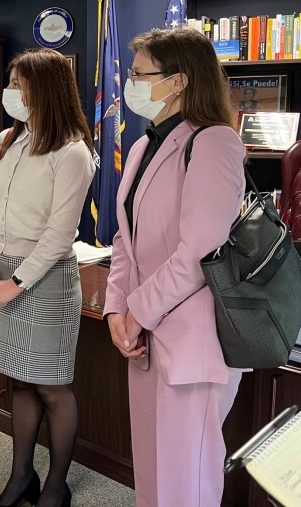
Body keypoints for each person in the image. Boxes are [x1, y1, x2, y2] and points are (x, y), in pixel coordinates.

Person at [104, 27, 246, 507]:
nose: (133, 85)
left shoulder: (215, 142)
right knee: (153, 470)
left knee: (188, 481)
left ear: (179, 81)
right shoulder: (145, 146)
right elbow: (127, 237)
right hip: (145, 335)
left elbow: (200, 251)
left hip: (193, 341)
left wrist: (138, 313)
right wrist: (115, 310)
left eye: (142, 74)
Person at [0, 49, 95, 507]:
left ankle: (56, 486)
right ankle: (21, 477)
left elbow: (60, 235)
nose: (12, 93)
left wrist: (15, 283)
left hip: (44, 280)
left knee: (51, 386)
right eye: (12, 82)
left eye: (20, 84)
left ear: (46, 89)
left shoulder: (73, 151)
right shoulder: (7, 139)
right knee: (20, 381)